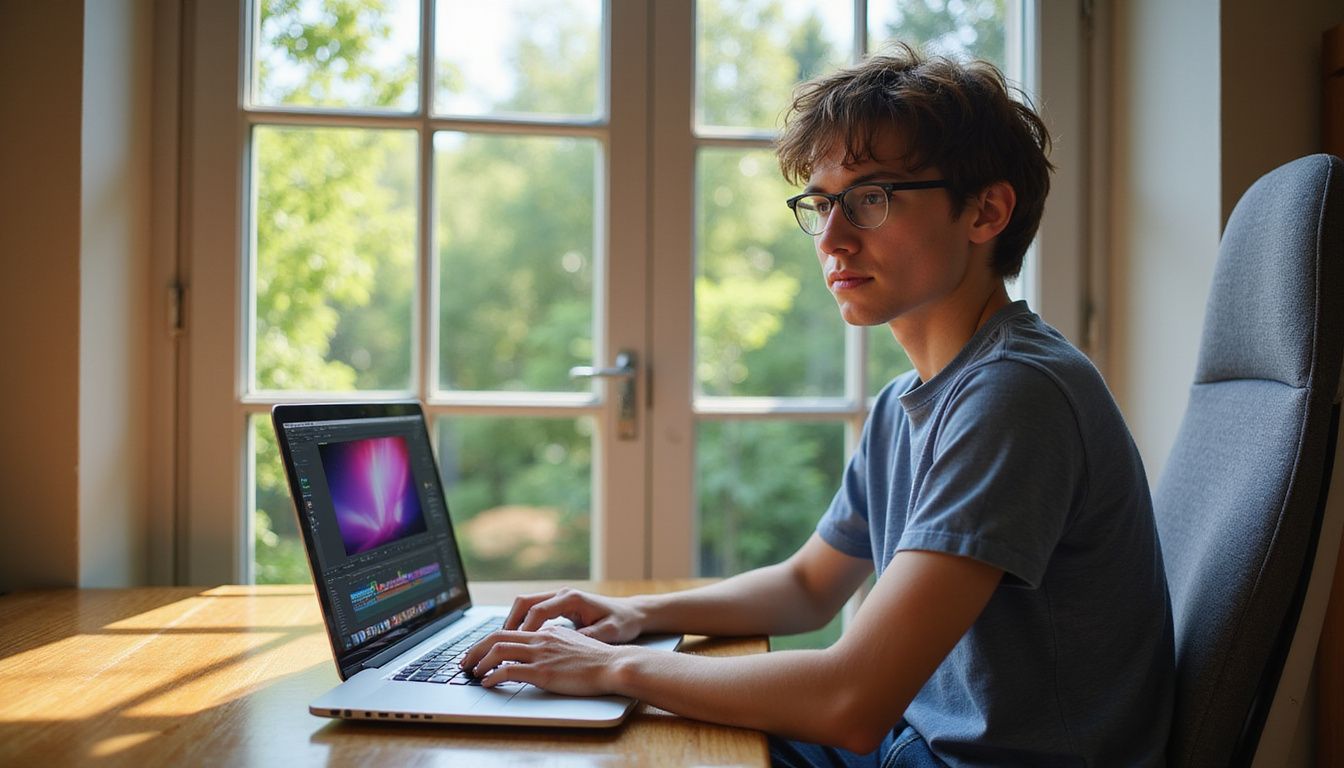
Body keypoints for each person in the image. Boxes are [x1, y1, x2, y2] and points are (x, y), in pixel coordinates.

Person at [461, 43, 1174, 767]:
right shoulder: (907, 401)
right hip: (915, 746)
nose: (831, 238)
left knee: (634, 734)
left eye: (872, 198)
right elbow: (808, 587)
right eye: (821, 203)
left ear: (985, 211)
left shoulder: (1015, 396)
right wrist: (634, 615)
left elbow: (852, 700)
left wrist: (609, 668)